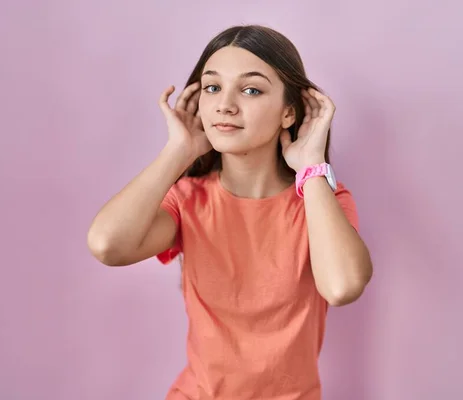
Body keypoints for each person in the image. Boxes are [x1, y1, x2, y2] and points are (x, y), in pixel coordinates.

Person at [87, 24, 373, 400]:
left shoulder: (323, 201)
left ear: (289, 112)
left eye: (251, 89)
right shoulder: (187, 199)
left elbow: (342, 287)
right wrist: (178, 152)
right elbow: (107, 245)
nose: (225, 104)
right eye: (212, 87)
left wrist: (311, 167)